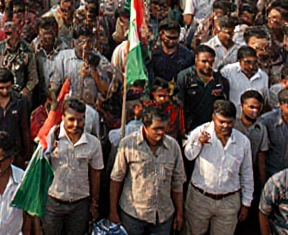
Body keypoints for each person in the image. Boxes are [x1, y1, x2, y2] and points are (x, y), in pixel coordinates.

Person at [109, 105, 186, 235]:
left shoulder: (173, 147)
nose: (161, 132)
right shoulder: (128, 144)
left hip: (163, 216)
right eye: (156, 129)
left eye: (163, 128)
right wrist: (113, 211)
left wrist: (179, 213)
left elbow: (177, 182)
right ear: (145, 127)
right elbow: (116, 179)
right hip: (133, 214)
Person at [183, 100, 254, 235]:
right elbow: (188, 155)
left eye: (229, 122)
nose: (225, 126)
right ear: (213, 118)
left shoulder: (243, 141)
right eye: (221, 122)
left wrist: (246, 203)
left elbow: (247, 173)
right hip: (200, 198)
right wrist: (199, 143)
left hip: (229, 201)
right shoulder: (200, 132)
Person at [42, 97, 103, 235]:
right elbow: (39, 167)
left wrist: (94, 203)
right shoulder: (51, 136)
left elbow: (96, 174)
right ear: (63, 117)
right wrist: (48, 151)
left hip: (80, 203)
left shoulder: (93, 143)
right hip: (53, 202)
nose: (76, 124)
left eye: (80, 120)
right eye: (71, 119)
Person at [176, 46, 229, 132]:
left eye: (211, 62)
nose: (208, 65)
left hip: (212, 128)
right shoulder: (184, 77)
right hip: (190, 127)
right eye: (204, 61)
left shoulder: (220, 80)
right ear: (196, 58)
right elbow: (179, 105)